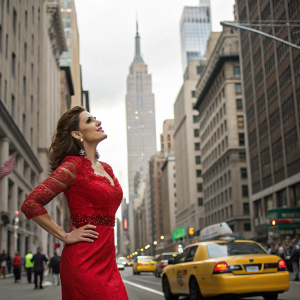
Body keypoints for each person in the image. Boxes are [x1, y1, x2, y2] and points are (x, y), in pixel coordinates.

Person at [21, 106, 128, 299]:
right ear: (77, 134)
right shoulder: (72, 166)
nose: (98, 122)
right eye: (89, 120)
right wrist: (65, 235)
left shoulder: (107, 169)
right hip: (84, 262)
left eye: (95, 118)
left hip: (109, 263)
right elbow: (31, 203)